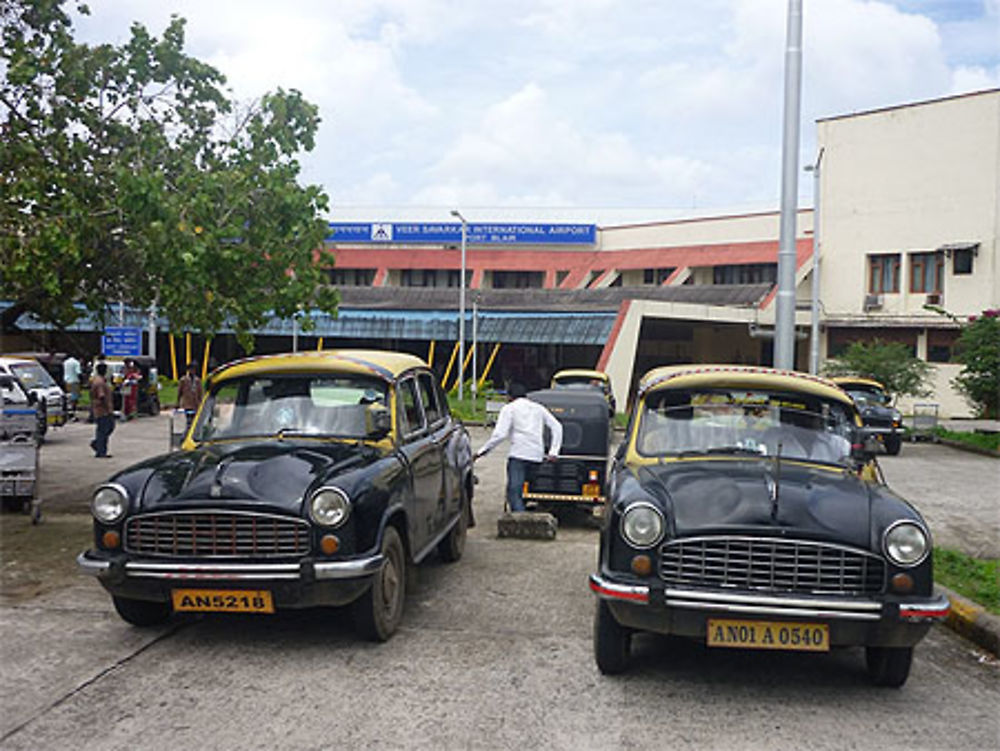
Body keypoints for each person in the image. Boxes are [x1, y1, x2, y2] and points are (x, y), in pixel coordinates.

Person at [473, 382, 563, 513]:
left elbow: (500, 435)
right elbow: (557, 427)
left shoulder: (509, 409)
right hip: (537, 456)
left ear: (509, 397)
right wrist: (554, 452)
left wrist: (481, 452)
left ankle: (520, 519)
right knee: (531, 490)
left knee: (514, 491)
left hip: (518, 456)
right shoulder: (538, 408)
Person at [89, 362, 115, 458]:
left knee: (104, 429)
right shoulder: (100, 382)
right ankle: (100, 450)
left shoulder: (98, 380)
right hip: (103, 410)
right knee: (105, 429)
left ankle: (98, 445)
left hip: (99, 409)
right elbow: (102, 396)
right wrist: (108, 409)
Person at [177, 361, 203, 431]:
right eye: (191, 369)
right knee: (189, 420)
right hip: (187, 404)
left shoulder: (197, 380)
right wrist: (178, 402)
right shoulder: (183, 380)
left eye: (194, 369)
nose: (193, 371)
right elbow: (179, 392)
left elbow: (200, 393)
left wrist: (201, 403)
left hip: (196, 404)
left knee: (195, 421)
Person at [62, 353, 81, 418]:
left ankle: (68, 412)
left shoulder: (65, 362)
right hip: (74, 381)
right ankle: (72, 414)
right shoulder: (76, 363)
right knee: (74, 398)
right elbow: (78, 372)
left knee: (68, 397)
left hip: (66, 381)